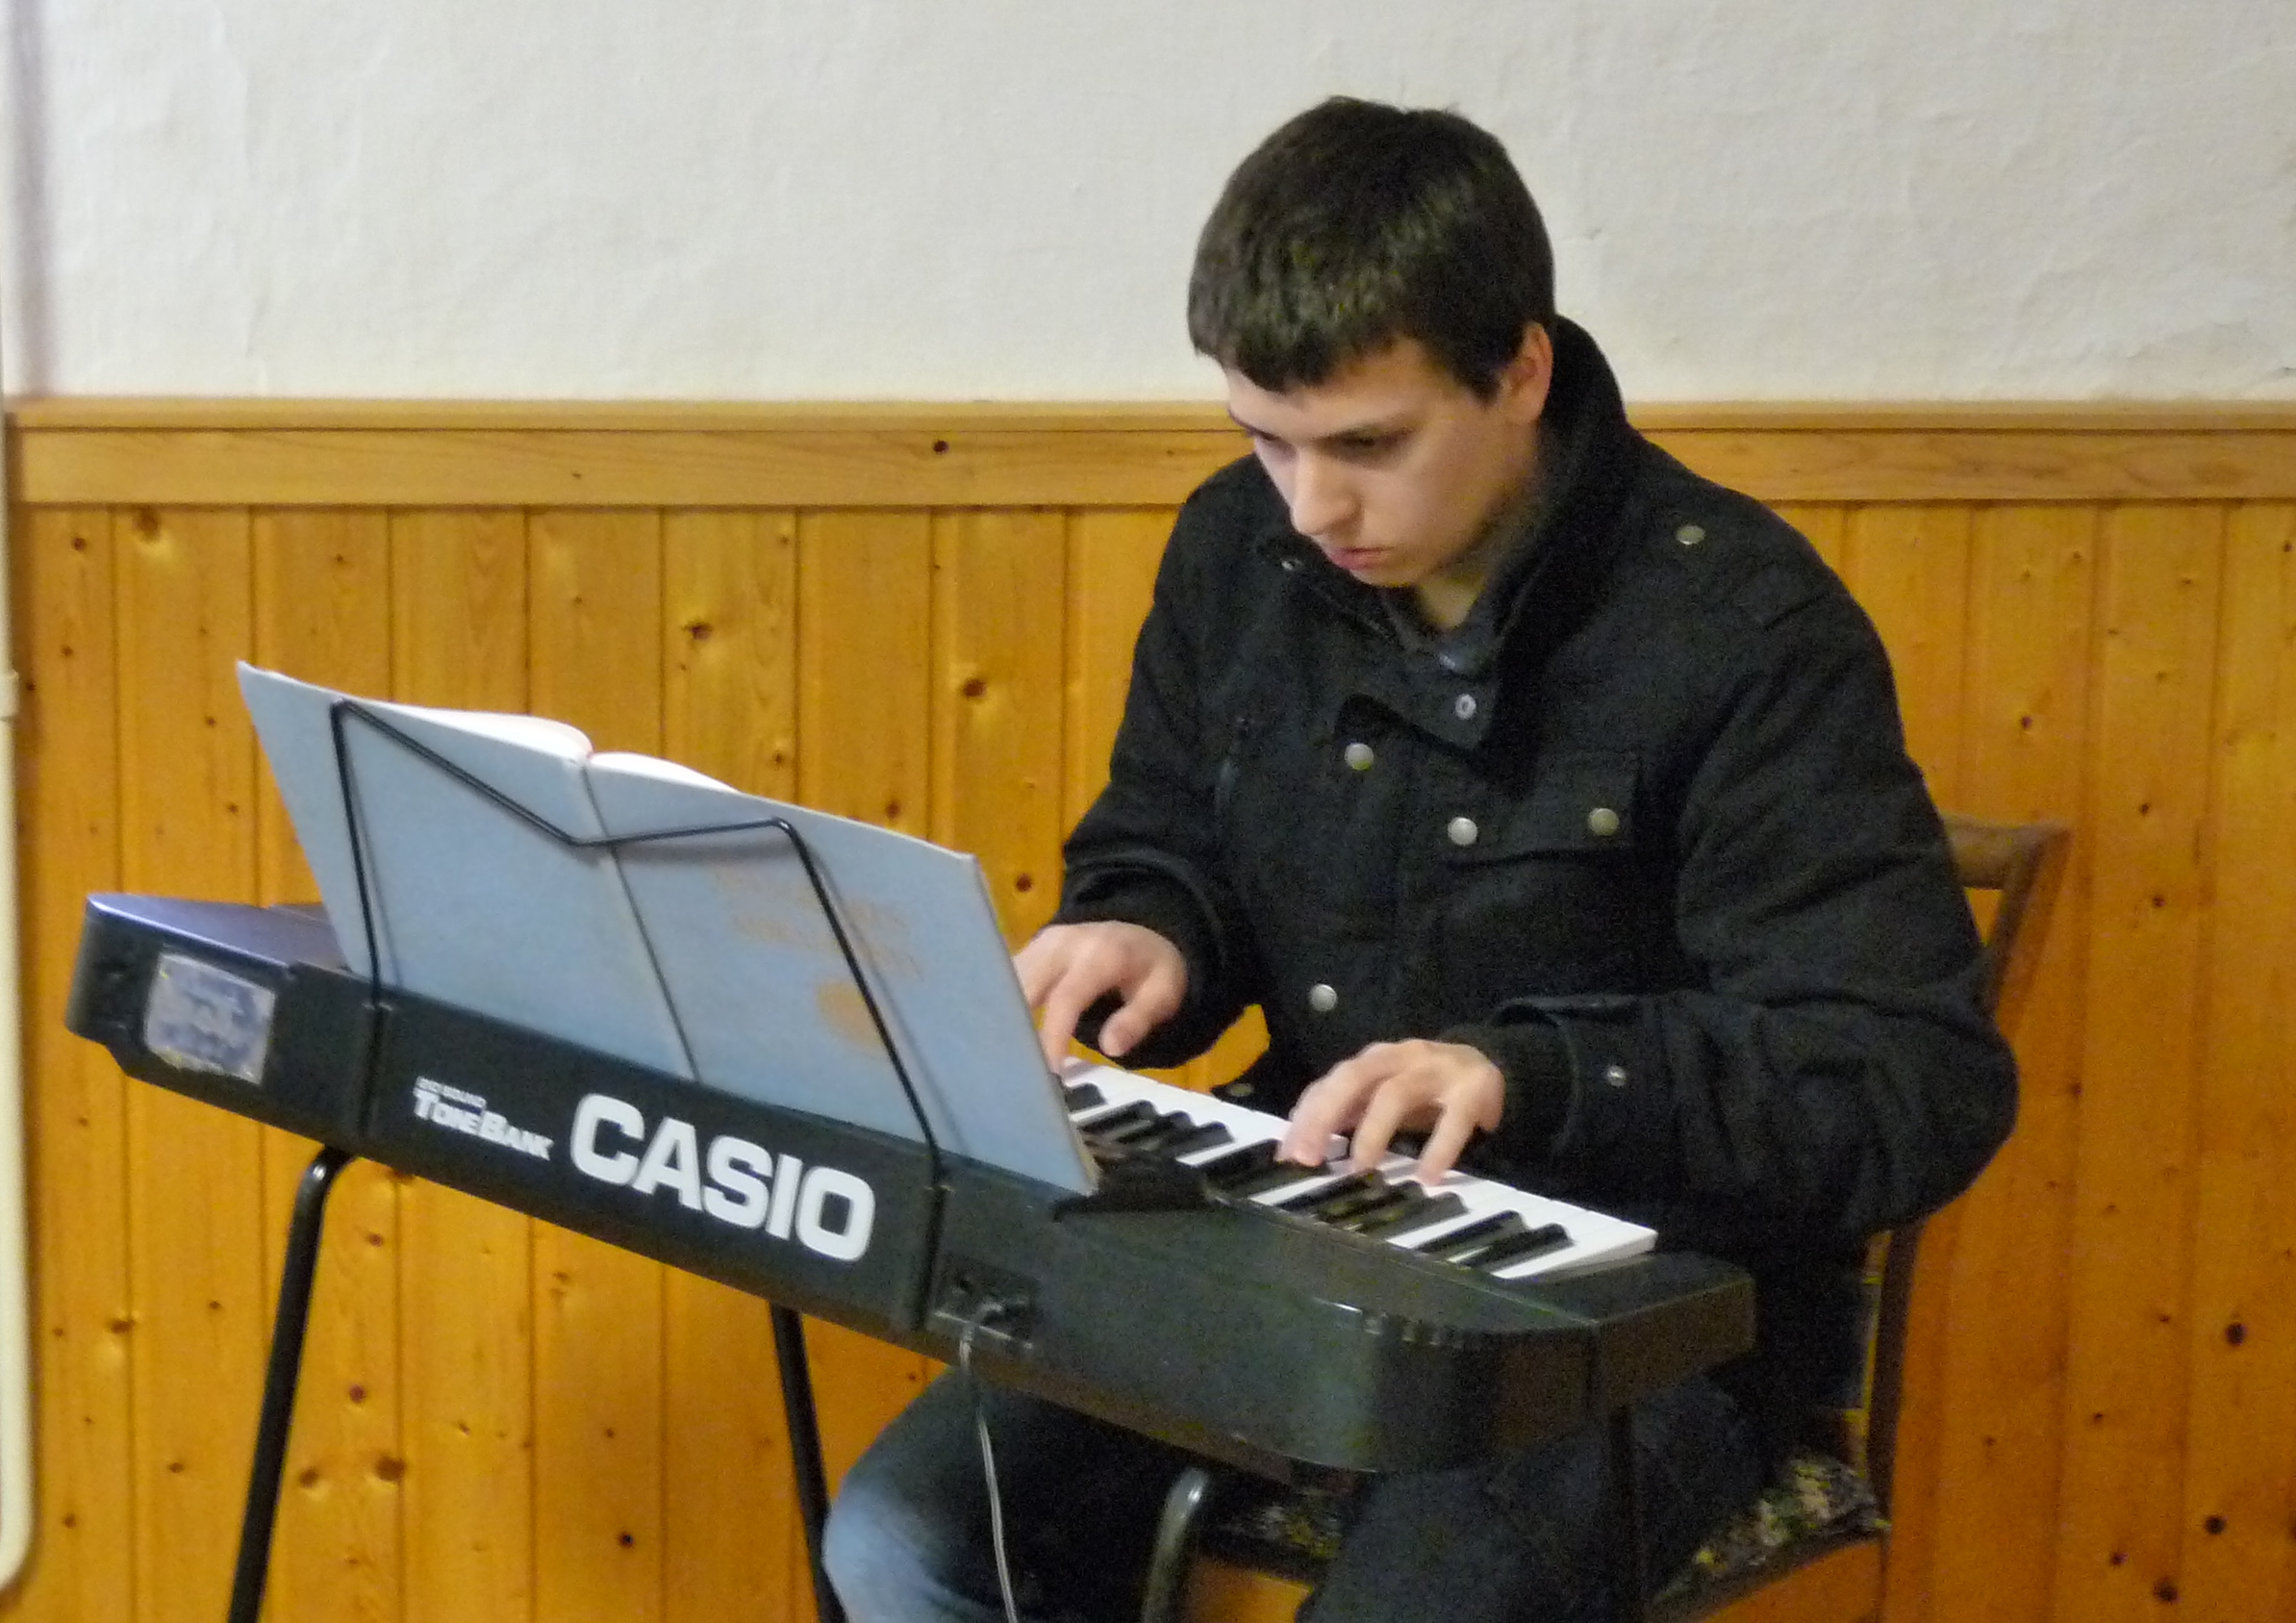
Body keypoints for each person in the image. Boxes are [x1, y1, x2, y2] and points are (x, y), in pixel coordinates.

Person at [822, 97, 2018, 1622]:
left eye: (1369, 445)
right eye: (1266, 440)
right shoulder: (1239, 551)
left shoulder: (1741, 626)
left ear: (1521, 371)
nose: (1312, 504)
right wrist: (1147, 929)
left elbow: (1906, 1077)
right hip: (1303, 1216)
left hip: (1643, 1303)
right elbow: (1166, 837)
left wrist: (1530, 1075)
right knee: (910, 1538)